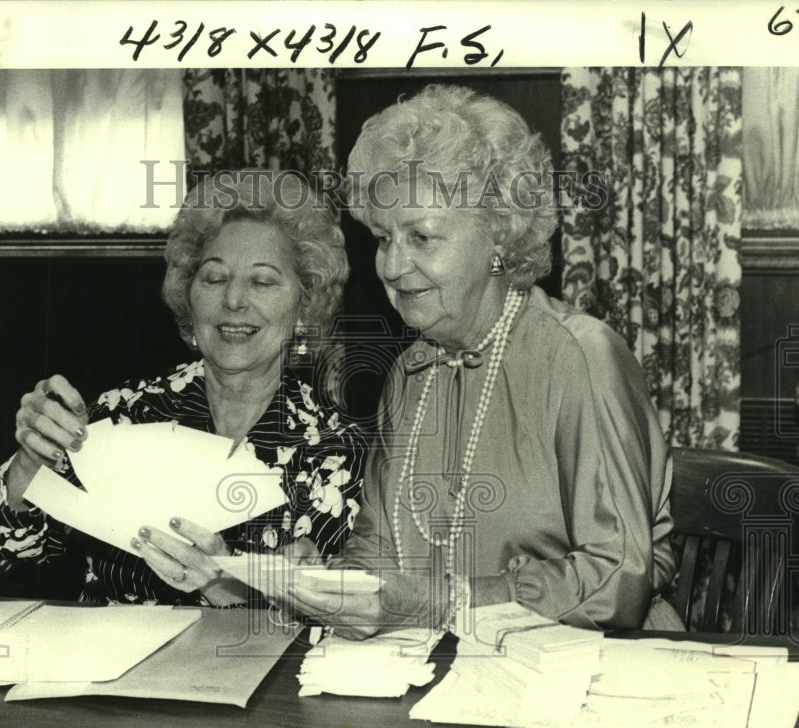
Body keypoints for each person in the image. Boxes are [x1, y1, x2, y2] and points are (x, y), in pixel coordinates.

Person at [280, 84, 682, 635]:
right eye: (382, 238)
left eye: (422, 236)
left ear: (498, 233)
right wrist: (327, 585)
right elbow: (379, 551)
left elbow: (618, 578)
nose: (393, 267)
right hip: (446, 672)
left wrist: (441, 603)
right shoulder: (409, 374)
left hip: (591, 669)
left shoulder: (579, 358)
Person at [0, 172, 367, 607]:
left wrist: (221, 581)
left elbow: (332, 620)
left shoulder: (337, 451)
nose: (233, 300)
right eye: (214, 279)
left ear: (304, 305)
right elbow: (4, 548)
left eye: (263, 281)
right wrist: (31, 461)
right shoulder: (126, 414)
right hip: (107, 666)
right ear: (188, 297)